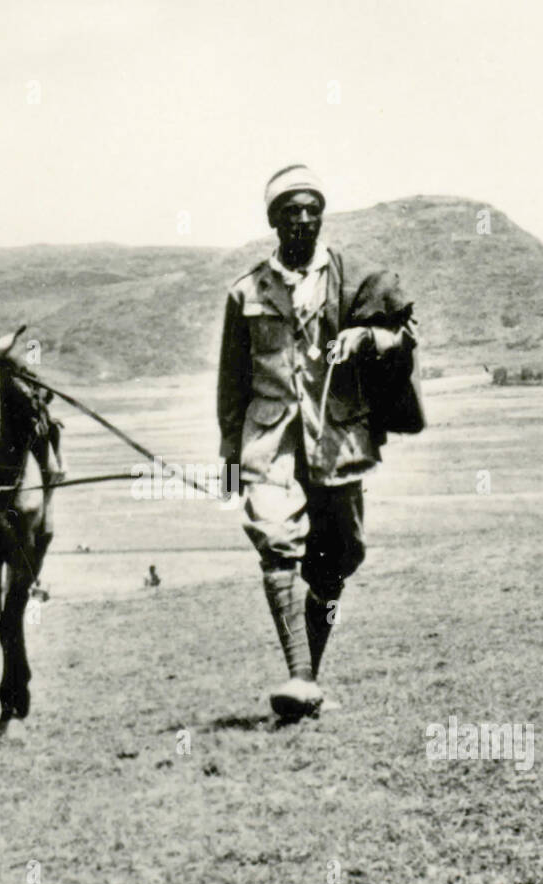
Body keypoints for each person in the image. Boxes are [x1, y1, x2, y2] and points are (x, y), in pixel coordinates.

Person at [216, 165, 421, 720]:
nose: (303, 220)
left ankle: (309, 676)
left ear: (321, 215)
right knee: (276, 540)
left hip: (336, 439)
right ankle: (299, 677)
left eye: (312, 209)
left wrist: (366, 336)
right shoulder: (247, 291)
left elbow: (404, 337)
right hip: (270, 444)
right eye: (291, 212)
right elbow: (231, 384)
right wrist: (230, 463)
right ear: (274, 221)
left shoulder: (351, 280)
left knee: (337, 559)